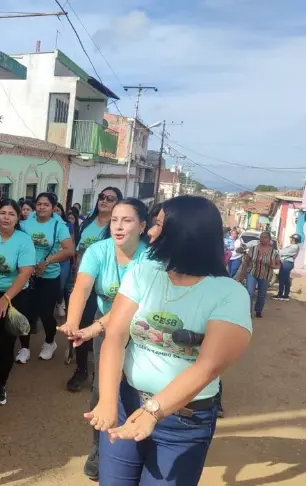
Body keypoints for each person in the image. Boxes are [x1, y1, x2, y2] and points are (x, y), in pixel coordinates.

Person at [87, 195, 252, 486]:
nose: (150, 231)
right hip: (127, 402)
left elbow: (207, 367)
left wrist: (154, 411)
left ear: (186, 232)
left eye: (159, 224)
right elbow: (115, 335)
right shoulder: (144, 272)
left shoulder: (228, 294)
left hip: (184, 421)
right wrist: (108, 400)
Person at [59, 198, 148, 481]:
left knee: (138, 388)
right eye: (114, 220)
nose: (119, 226)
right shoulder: (99, 250)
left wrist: (93, 328)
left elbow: (128, 307)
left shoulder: (150, 258)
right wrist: (73, 322)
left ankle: (139, 445)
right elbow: (82, 287)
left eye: (127, 220)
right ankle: (99, 450)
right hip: (105, 328)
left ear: (142, 226)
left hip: (141, 329)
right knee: (102, 391)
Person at [66, 187, 122, 390]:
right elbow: (79, 253)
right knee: (82, 326)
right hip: (85, 285)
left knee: (106, 329)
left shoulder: (116, 229)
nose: (103, 201)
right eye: (101, 197)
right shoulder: (88, 223)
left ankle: (102, 374)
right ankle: (81, 370)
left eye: (110, 198)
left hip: (107, 288)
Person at [0, 199, 35, 405]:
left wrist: (5, 298)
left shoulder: (23, 240)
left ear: (18, 217)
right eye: (2, 212)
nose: (6, 217)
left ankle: (0, 385)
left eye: (11, 214)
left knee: (5, 342)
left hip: (14, 295)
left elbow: (25, 273)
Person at [15, 192, 74, 363]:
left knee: (46, 313)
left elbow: (69, 250)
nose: (41, 207)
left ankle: (50, 342)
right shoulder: (26, 223)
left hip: (49, 275)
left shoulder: (59, 225)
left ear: (53, 208)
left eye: (46, 204)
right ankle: (24, 347)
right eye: (39, 204)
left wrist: (46, 262)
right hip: (27, 275)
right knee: (24, 312)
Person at [236, 231, 280, 318]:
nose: (262, 239)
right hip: (252, 273)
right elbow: (246, 262)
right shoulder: (253, 249)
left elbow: (278, 265)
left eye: (265, 237)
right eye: (261, 237)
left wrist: (273, 266)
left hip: (265, 275)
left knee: (262, 294)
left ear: (269, 239)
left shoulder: (274, 253)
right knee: (250, 292)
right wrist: (241, 275)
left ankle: (258, 310)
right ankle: (248, 312)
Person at [274, 234, 301, 301]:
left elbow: (282, 252)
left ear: (294, 239)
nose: (290, 239)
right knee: (285, 280)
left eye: (291, 238)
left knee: (282, 279)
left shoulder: (294, 247)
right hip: (287, 263)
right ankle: (285, 295)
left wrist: (277, 249)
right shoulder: (293, 246)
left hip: (287, 263)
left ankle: (281, 295)